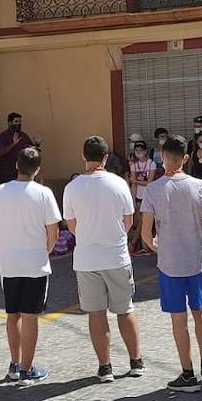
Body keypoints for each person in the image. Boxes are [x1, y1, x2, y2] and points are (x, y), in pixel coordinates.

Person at [63, 135, 146, 382]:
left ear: (83, 156)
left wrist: (88, 235)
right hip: (117, 255)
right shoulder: (119, 183)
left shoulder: (72, 187)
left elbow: (71, 224)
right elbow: (129, 220)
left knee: (96, 314)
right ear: (106, 157)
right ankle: (136, 361)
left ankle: (105, 367)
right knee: (125, 309)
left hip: (87, 258)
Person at [141, 138, 202, 393]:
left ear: (162, 156)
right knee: (200, 312)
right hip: (196, 260)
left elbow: (145, 234)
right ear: (186, 157)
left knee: (178, 320)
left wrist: (157, 246)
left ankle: (187, 374)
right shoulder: (199, 186)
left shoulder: (153, 190)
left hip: (169, 263)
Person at [0, 147, 62, 386]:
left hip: (8, 262)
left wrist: (5, 244)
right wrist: (47, 249)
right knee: (30, 316)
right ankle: (28, 368)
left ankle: (14, 363)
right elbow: (53, 231)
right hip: (35, 263)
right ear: (37, 169)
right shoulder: (44, 193)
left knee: (13, 314)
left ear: (17, 166)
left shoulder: (1, 191)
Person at [127, 138, 158, 255]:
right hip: (139, 196)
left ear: (145, 151)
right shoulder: (134, 165)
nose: (139, 152)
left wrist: (134, 180)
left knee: (143, 221)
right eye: (136, 150)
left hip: (149, 197)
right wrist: (133, 199)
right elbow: (133, 184)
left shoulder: (151, 163)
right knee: (138, 221)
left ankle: (133, 244)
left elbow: (149, 182)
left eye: (141, 150)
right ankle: (137, 244)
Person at [0, 112, 37, 184]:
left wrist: (37, 144)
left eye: (20, 121)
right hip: (7, 174)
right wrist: (13, 143)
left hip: (22, 174)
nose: (18, 124)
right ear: (10, 123)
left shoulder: (23, 136)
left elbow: (32, 151)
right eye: (16, 121)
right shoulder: (4, 136)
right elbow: (1, 152)